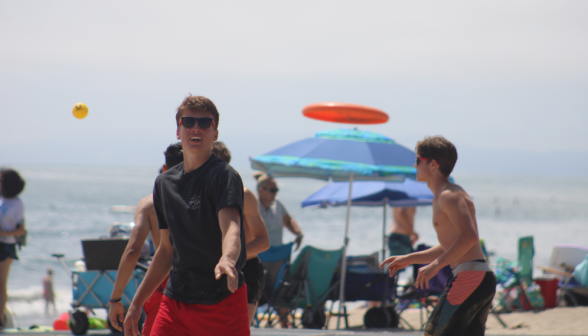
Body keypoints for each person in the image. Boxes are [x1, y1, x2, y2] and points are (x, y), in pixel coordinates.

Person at [124, 95, 249, 336]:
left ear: (215, 133)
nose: (196, 127)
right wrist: (137, 302)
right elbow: (166, 251)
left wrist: (228, 259)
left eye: (205, 123)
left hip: (222, 300)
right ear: (178, 130)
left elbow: (231, 227)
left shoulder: (223, 175)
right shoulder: (164, 183)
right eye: (188, 121)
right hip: (175, 302)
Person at [380, 136, 496, 336]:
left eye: (418, 160)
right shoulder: (445, 195)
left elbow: (469, 237)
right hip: (476, 276)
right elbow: (452, 245)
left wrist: (436, 265)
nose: (414, 165)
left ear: (433, 164)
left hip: (470, 277)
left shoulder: (449, 195)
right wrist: (408, 259)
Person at [108, 142, 184, 335]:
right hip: (200, 281)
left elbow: (133, 250)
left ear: (165, 169)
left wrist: (116, 298)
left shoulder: (148, 204)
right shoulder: (206, 198)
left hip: (163, 282)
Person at [212, 141, 270, 324]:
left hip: (246, 269)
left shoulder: (243, 195)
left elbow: (263, 241)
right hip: (208, 269)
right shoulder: (196, 195)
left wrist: (230, 256)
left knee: (239, 329)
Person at [0, 168, 27, 329]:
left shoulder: (17, 203)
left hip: (7, 245)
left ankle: (1, 318)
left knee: (1, 283)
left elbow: (21, 230)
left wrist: (2, 232)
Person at [255, 172, 303, 249]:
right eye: (272, 190)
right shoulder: (252, 206)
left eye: (276, 190)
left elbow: (288, 221)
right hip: (258, 254)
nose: (275, 193)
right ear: (260, 190)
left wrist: (298, 234)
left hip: (277, 252)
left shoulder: (277, 204)